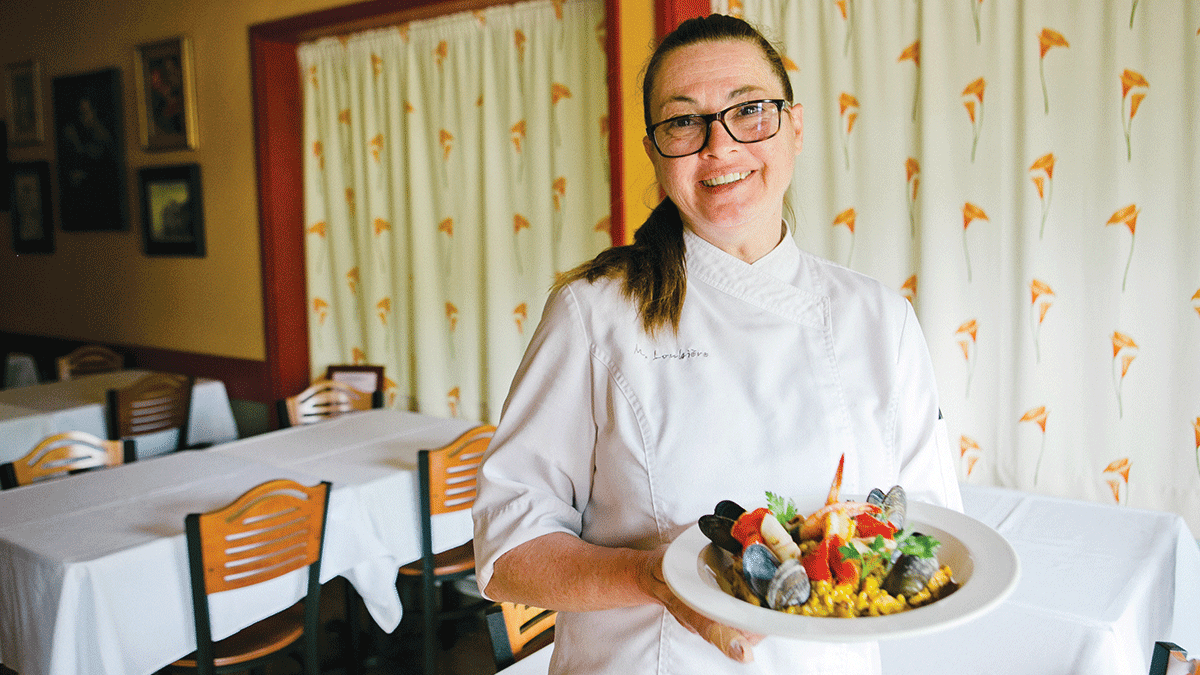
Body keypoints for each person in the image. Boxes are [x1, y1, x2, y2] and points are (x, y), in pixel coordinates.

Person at [472, 14, 961, 675]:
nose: (720, 146)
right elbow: (507, 556)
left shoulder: (880, 318)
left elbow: (929, 529)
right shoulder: (595, 312)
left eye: (750, 111)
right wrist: (652, 577)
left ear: (795, 127)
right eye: (683, 122)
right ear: (654, 150)